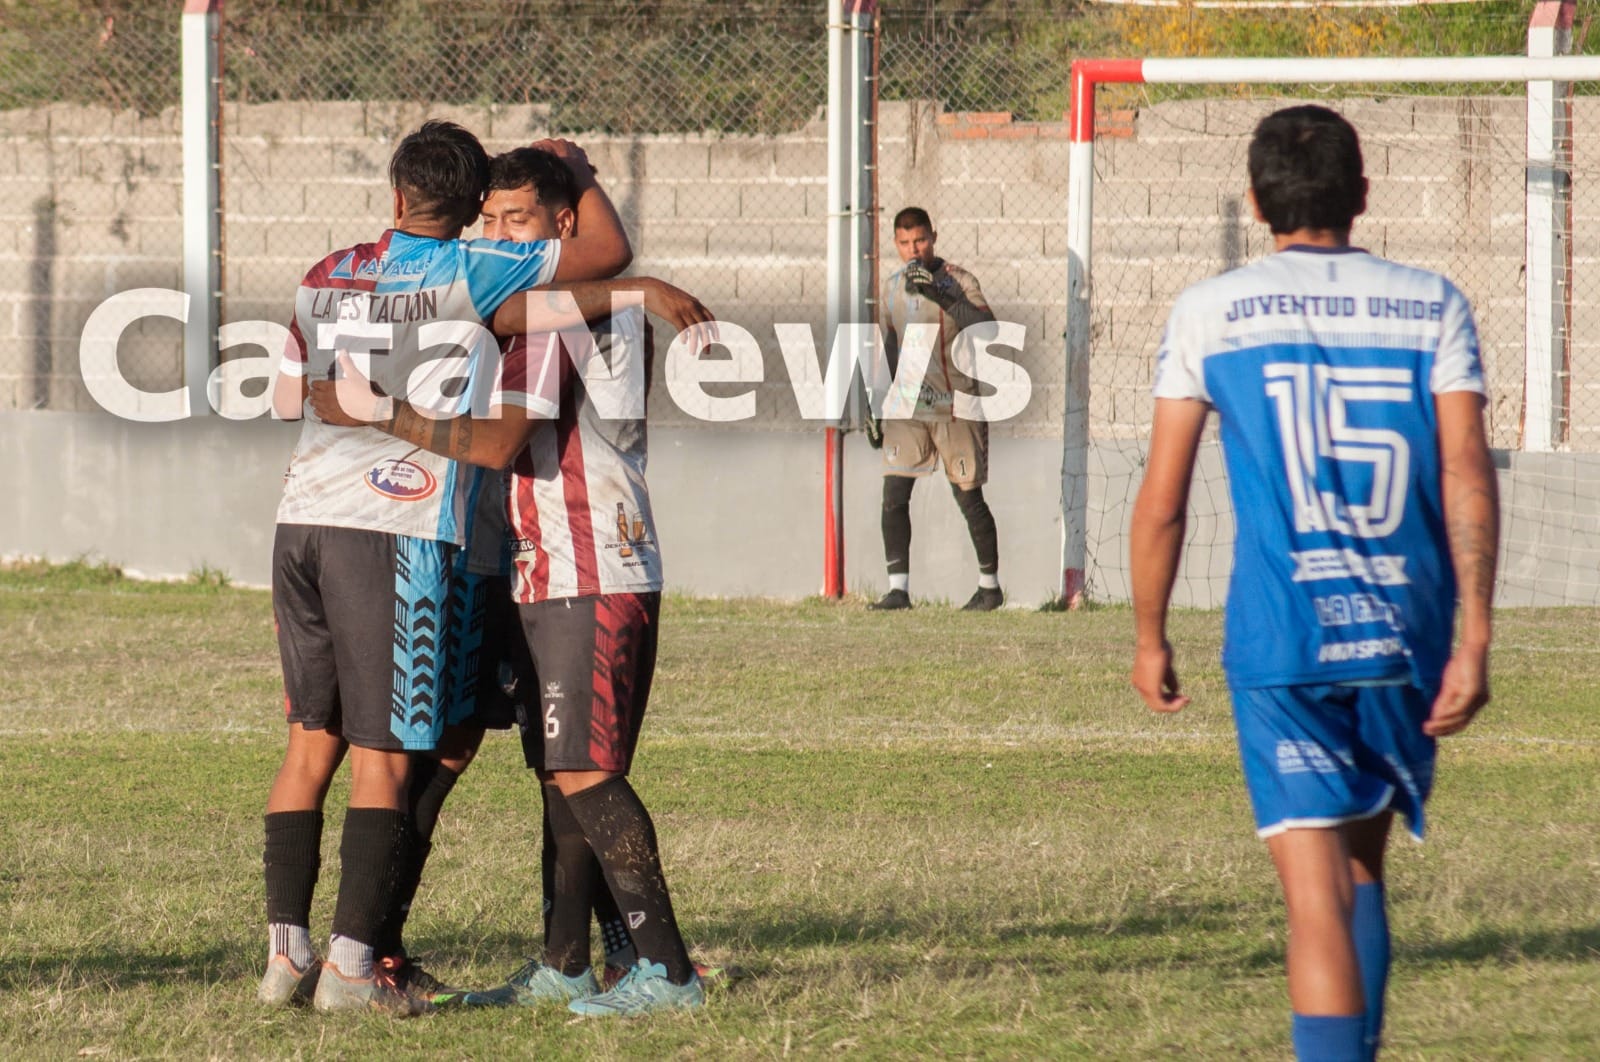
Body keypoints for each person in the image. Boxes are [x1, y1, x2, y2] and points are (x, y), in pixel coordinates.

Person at [1128, 105, 1497, 1062]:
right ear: (1362, 194)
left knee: (1315, 896)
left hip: (1283, 632)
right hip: (1405, 630)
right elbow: (1466, 470)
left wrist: (1149, 635)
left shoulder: (1212, 309)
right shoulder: (1433, 301)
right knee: (1362, 868)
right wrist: (1477, 636)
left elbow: (1163, 499)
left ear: (1256, 203)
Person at [312, 146, 716, 1017]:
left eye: (517, 222)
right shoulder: (540, 304)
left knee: (580, 769)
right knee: (511, 759)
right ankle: (557, 961)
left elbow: (496, 442)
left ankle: (666, 973)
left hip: (584, 558)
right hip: (521, 560)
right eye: (486, 221)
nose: (494, 238)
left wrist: (379, 407)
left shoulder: (553, 319)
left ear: (563, 227)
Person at [259, 121, 632, 1016]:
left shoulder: (324, 271)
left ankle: (285, 958)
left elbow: (279, 395)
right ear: (471, 213)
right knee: (392, 753)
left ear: (393, 195)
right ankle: (352, 969)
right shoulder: (472, 271)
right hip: (399, 528)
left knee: (311, 742)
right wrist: (578, 175)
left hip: (299, 518)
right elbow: (605, 254)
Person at [869, 206, 1003, 612]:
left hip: (956, 405)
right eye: (906, 242)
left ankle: (990, 588)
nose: (914, 249)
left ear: (934, 237)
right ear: (896, 244)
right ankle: (898, 590)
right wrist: (877, 402)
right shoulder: (892, 286)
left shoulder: (958, 280)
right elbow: (889, 344)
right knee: (894, 494)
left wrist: (941, 295)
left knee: (968, 497)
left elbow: (987, 329)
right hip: (907, 409)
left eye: (921, 240)